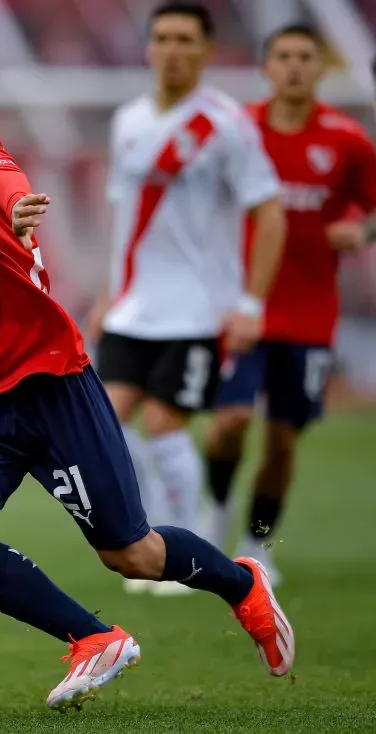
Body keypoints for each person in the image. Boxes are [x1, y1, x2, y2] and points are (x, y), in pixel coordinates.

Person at [0, 29, 294, 713]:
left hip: (45, 386)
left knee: (133, 553)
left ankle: (242, 585)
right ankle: (94, 638)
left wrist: (17, 204)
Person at [88, 1, 287, 596]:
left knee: (164, 423)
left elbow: (270, 213)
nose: (173, 49)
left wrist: (251, 303)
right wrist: (105, 293)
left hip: (197, 309)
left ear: (205, 49)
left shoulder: (226, 124)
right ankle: (150, 537)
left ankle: (183, 549)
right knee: (106, 421)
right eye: (164, 38)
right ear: (149, 48)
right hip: (132, 307)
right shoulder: (128, 121)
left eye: (185, 39)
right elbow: (122, 217)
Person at [202, 24, 376, 582]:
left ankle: (261, 544)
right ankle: (215, 515)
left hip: (309, 316)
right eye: (284, 56)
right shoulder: (238, 131)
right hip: (242, 308)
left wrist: (362, 232)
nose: (296, 66)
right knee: (228, 422)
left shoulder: (346, 140)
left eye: (306, 56)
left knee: (282, 441)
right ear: (267, 67)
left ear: (320, 69)